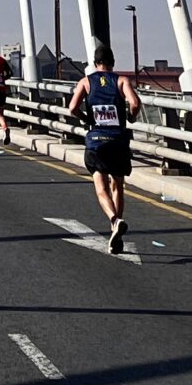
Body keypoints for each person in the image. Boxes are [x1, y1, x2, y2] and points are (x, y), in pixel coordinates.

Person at [64, 41, 142, 251]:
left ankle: (114, 221)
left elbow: (72, 107)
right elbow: (135, 103)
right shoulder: (121, 80)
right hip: (118, 140)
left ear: (95, 63)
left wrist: (86, 119)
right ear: (112, 62)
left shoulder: (86, 82)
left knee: (101, 188)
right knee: (118, 186)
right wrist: (131, 118)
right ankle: (115, 230)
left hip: (96, 141)